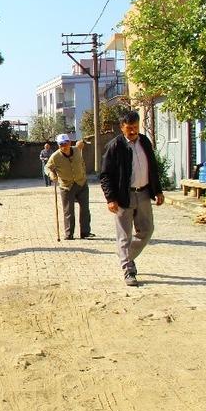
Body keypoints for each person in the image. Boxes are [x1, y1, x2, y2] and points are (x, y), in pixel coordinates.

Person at [99, 110, 164, 287]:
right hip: (123, 196)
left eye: (135, 127)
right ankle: (128, 270)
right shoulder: (114, 146)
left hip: (143, 193)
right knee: (124, 236)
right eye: (129, 128)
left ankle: (125, 255)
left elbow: (153, 168)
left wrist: (158, 191)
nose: (133, 131)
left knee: (147, 230)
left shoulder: (144, 142)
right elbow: (105, 175)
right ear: (122, 127)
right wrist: (110, 198)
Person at [45, 133, 93, 240]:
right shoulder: (55, 156)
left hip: (81, 183)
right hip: (66, 186)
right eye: (61, 144)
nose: (64, 146)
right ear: (58, 145)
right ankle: (69, 234)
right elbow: (47, 167)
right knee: (68, 211)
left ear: (70, 142)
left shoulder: (76, 150)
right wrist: (51, 174)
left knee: (85, 209)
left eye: (66, 143)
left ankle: (85, 232)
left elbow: (81, 151)